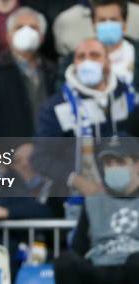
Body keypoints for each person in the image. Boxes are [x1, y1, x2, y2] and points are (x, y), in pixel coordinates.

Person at [34, 39, 139, 194]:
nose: (87, 61)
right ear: (74, 63)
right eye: (81, 57)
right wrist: (75, 180)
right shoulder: (56, 107)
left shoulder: (129, 97)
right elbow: (40, 158)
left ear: (107, 62)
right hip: (76, 196)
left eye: (95, 55)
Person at [54, 139, 139, 284]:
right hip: (99, 267)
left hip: (132, 271)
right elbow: (77, 249)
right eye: (109, 164)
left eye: (120, 162)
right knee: (65, 261)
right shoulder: (93, 202)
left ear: (136, 164)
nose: (113, 168)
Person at [0, 7, 57, 137]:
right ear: (8, 36)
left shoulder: (53, 72)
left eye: (33, 27)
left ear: (42, 37)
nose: (26, 32)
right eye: (19, 27)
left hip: (48, 150)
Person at [91, 0, 139, 86]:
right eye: (102, 20)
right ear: (93, 25)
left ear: (124, 24)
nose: (108, 24)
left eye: (113, 20)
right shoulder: (77, 58)